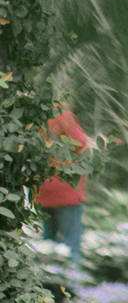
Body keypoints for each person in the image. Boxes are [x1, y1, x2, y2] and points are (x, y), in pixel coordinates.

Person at [37, 107, 92, 260]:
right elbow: (80, 143)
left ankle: (46, 279)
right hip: (65, 189)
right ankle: (71, 278)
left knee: (47, 242)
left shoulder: (32, 117)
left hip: (42, 190)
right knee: (71, 243)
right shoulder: (62, 115)